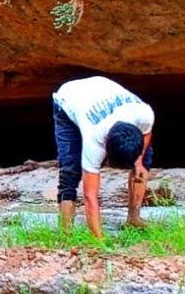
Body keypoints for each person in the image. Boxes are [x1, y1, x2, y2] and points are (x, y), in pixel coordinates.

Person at [52, 76, 154, 238]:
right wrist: (99, 241)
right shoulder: (94, 140)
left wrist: (139, 162)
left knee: (145, 160)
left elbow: (146, 132)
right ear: (106, 146)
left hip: (102, 89)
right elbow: (90, 196)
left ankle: (134, 219)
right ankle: (66, 234)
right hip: (69, 98)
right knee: (70, 169)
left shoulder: (144, 114)